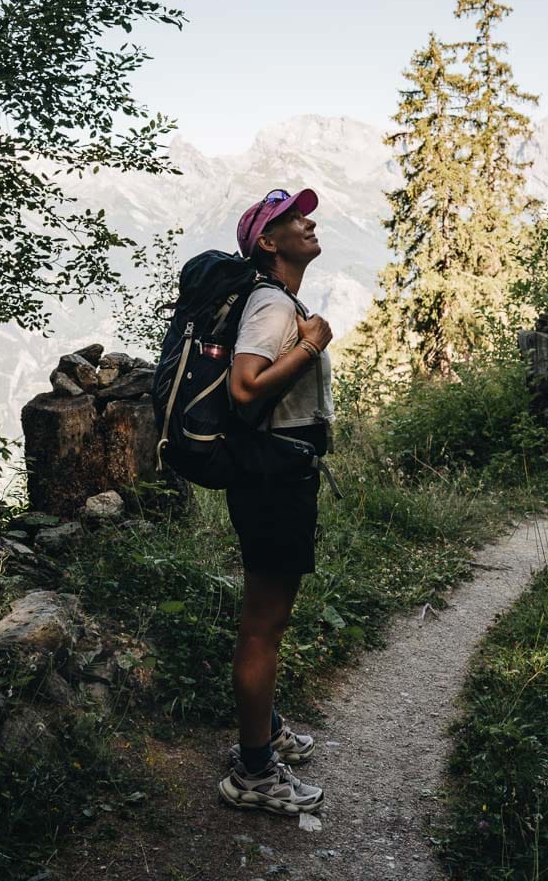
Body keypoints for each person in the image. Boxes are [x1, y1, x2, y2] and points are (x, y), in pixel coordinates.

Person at [217, 187, 334, 816]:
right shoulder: (270, 303)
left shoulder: (279, 301)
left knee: (268, 621)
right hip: (272, 477)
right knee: (263, 627)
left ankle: (266, 733)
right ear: (268, 242)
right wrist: (311, 343)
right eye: (294, 219)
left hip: (277, 474)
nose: (307, 223)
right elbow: (245, 388)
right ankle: (254, 773)